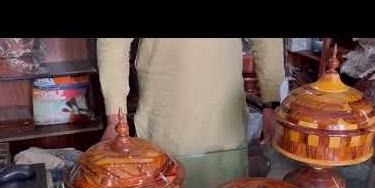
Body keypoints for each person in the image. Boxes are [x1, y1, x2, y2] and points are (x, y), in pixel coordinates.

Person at [97, 38, 284, 157]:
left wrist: (271, 102)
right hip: (164, 126)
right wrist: (115, 119)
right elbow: (113, 43)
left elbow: (266, 41)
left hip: (225, 127)